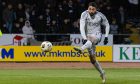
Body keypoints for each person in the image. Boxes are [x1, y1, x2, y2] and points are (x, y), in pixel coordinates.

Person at [74, 2, 110, 84]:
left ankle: (81, 48)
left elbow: (107, 24)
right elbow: (81, 26)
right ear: (88, 8)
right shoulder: (84, 14)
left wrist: (106, 36)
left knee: (92, 40)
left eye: (93, 9)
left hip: (97, 35)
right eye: (90, 9)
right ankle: (102, 73)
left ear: (96, 9)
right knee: (92, 59)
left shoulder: (100, 15)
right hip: (88, 36)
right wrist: (84, 37)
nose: (91, 10)